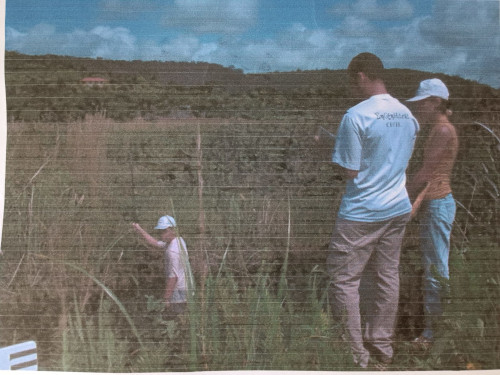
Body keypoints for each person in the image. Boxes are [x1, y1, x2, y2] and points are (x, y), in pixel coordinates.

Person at [327, 52, 419, 369]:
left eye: (354, 82)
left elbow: (350, 171)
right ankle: (382, 346)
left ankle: (357, 356)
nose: (353, 88)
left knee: (345, 281)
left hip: (362, 211)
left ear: (362, 77)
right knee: (386, 277)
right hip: (396, 207)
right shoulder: (407, 115)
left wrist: (324, 150)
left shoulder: (356, 115)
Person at [406, 78, 458, 348]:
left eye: (422, 103)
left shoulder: (442, 130)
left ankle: (433, 333)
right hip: (434, 202)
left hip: (437, 203)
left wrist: (400, 194)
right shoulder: (439, 128)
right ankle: (433, 329)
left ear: (436, 102)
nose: (418, 109)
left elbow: (427, 172)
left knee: (436, 268)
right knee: (433, 266)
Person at [132, 215, 193, 317]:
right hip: (187, 288)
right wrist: (139, 230)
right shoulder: (178, 241)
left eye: (164, 231)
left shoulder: (172, 251)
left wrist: (166, 299)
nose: (161, 234)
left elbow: (173, 277)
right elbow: (155, 243)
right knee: (182, 319)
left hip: (178, 291)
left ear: (172, 230)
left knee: (174, 320)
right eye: (160, 231)